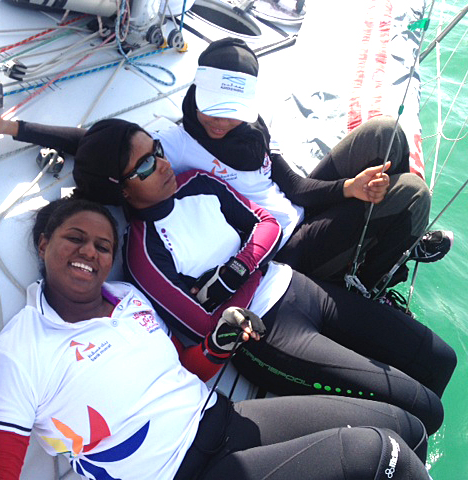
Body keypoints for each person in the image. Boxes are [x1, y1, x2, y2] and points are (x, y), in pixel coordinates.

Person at [0, 196, 433, 480]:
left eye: (102, 245)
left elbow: (177, 371)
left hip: (221, 418)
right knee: (377, 456)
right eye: (74, 238)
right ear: (44, 243)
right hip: (177, 473)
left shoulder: (127, 300)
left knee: (406, 425)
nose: (90, 251)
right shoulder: (20, 350)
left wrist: (216, 346)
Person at [0, 38, 453, 296]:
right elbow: (93, 144)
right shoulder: (170, 145)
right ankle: (374, 275)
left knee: (385, 132)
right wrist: (8, 128)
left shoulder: (250, 129)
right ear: (196, 89)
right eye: (210, 106)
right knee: (412, 195)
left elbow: (294, 187)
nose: (218, 121)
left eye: (231, 110)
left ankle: (382, 249)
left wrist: (347, 188)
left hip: (292, 210)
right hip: (281, 249)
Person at [66, 119, 455, 436]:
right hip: (265, 337)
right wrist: (247, 269)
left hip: (297, 285)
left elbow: (267, 225)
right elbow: (204, 324)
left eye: (158, 151)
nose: (164, 164)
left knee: (440, 360)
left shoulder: (197, 182)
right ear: (121, 191)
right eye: (146, 166)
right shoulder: (144, 254)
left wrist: (231, 275)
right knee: (425, 409)